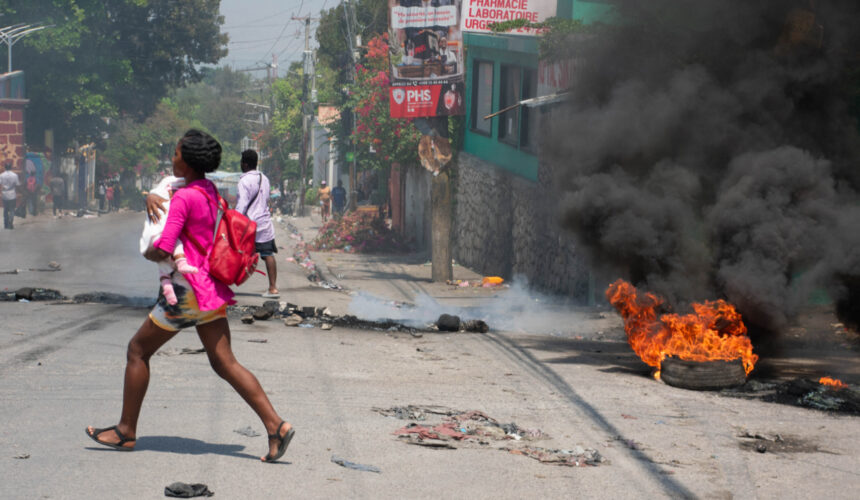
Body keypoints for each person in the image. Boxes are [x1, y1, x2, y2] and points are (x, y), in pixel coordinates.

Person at [86, 129, 294, 463]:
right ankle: (276, 425)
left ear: (189, 160)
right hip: (209, 288)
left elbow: (165, 245)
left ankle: (126, 431)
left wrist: (149, 251)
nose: (172, 158)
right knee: (224, 362)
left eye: (176, 154)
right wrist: (148, 197)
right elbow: (166, 189)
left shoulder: (184, 198)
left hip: (185, 293)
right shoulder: (208, 190)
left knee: (137, 351)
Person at [139, 175, 199, 305]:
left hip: (190, 261)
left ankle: (167, 303)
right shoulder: (170, 184)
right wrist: (151, 197)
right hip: (175, 252)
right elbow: (156, 195)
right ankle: (166, 300)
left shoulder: (198, 189)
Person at [236, 149, 280, 298]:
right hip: (264, 223)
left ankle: (224, 284)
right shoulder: (265, 178)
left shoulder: (244, 181)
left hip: (249, 225)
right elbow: (266, 198)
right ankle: (273, 288)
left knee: (235, 252)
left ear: (245, 164)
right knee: (268, 254)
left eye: (242, 162)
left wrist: (235, 219)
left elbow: (242, 203)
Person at [1, 162, 20, 229]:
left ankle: (6, 224)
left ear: (5, 167)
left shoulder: (1, 175)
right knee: (12, 209)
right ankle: (10, 223)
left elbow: (1, 185)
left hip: (5, 195)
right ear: (11, 167)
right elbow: (17, 185)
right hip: (12, 195)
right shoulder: (15, 175)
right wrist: (17, 193)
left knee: (5, 210)